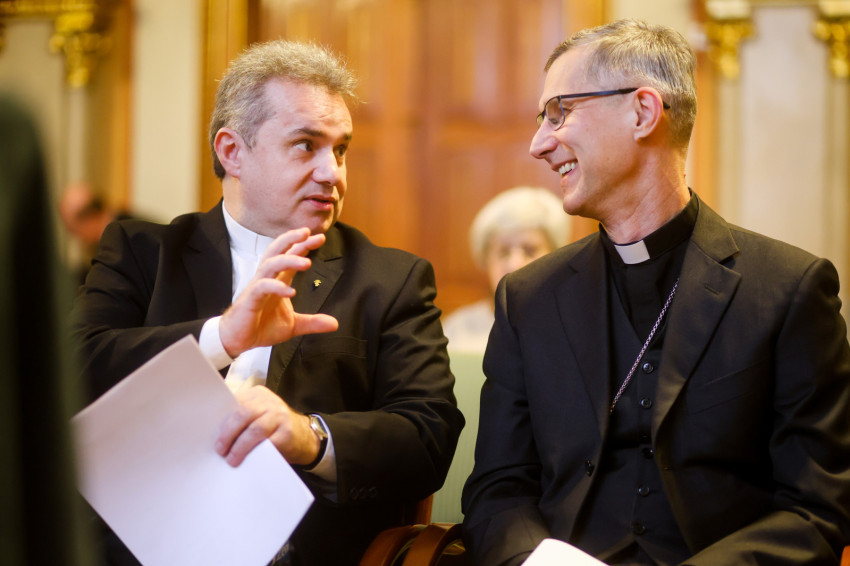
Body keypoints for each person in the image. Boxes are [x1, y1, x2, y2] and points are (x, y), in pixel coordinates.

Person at [462, 19, 850, 566]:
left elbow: (816, 508)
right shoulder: (527, 299)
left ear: (643, 112)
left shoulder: (788, 289)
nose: (539, 144)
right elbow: (498, 490)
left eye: (559, 112)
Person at [71, 40, 463, 566]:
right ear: (232, 151)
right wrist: (221, 337)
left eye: (340, 150)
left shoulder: (390, 280)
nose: (333, 173)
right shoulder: (143, 253)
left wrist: (310, 436)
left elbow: (428, 435)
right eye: (306, 145)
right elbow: (71, 370)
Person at [442, 186, 570, 353]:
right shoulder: (455, 332)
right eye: (503, 252)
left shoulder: (573, 328)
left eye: (530, 250)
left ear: (555, 256)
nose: (515, 265)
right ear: (485, 259)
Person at [58, 181, 133, 285]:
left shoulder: (130, 242)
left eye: (72, 229)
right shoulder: (132, 226)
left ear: (87, 218)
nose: (76, 237)